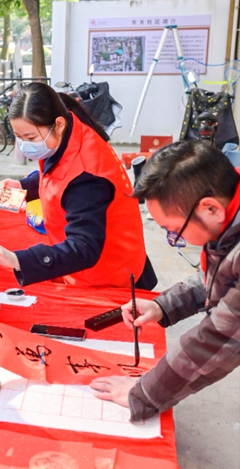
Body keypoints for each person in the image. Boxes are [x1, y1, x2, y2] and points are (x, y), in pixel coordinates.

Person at [90, 140, 240, 421]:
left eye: (175, 232)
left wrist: (144, 392)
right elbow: (221, 275)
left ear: (210, 209)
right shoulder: (228, 209)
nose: (175, 241)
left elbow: (220, 338)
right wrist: (162, 306)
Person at [0, 82, 157, 290]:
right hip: (103, 262)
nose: (25, 145)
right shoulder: (70, 131)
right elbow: (60, 172)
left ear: (59, 124)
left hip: (107, 277)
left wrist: (18, 260)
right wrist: (23, 186)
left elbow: (83, 248)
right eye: (18, 137)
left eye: (30, 137)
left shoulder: (88, 177)